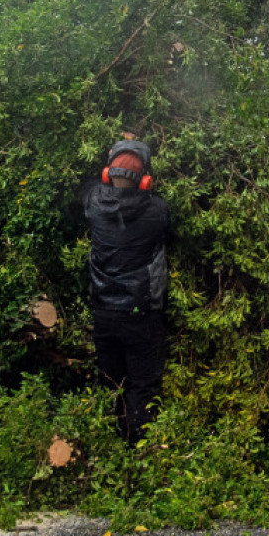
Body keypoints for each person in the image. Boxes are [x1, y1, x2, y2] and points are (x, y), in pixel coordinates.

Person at [82, 139, 170, 444]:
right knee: (142, 386)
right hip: (141, 313)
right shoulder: (156, 210)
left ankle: (107, 447)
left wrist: (120, 150)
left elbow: (91, 186)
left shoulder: (93, 203)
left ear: (107, 173)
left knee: (109, 382)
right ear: (146, 180)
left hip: (104, 312)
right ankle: (137, 450)